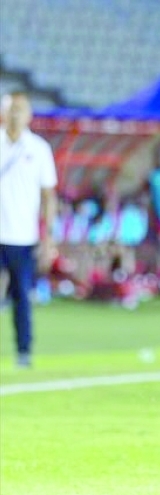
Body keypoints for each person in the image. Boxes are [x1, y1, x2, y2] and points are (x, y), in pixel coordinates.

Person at [0, 91, 57, 368]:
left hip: (24, 237)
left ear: (29, 116)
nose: (15, 114)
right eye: (11, 109)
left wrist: (48, 238)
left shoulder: (39, 149)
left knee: (22, 297)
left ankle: (23, 352)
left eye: (20, 110)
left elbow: (48, 196)